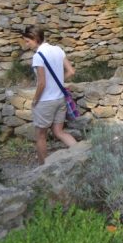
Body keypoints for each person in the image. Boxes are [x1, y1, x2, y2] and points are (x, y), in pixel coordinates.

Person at [21, 25, 77, 165]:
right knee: (59, 132)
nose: (26, 45)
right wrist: (58, 81)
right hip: (60, 99)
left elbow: (42, 84)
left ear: (35, 38)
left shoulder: (38, 56)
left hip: (45, 102)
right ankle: (80, 153)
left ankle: (43, 169)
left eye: (27, 41)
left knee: (40, 136)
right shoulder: (58, 50)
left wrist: (35, 100)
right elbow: (71, 71)